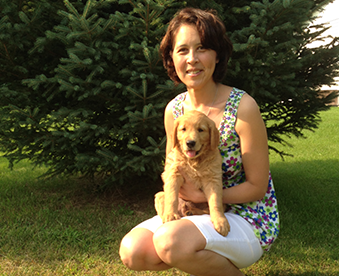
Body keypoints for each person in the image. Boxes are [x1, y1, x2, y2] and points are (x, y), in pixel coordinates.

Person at [119, 7, 280, 276]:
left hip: (247, 215)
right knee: (133, 250)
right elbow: (173, 166)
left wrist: (203, 195)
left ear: (217, 55)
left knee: (170, 242)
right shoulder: (174, 110)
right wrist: (181, 200)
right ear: (172, 58)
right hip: (190, 211)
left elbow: (257, 186)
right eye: (182, 50)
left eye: (202, 48)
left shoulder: (243, 107)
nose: (192, 59)